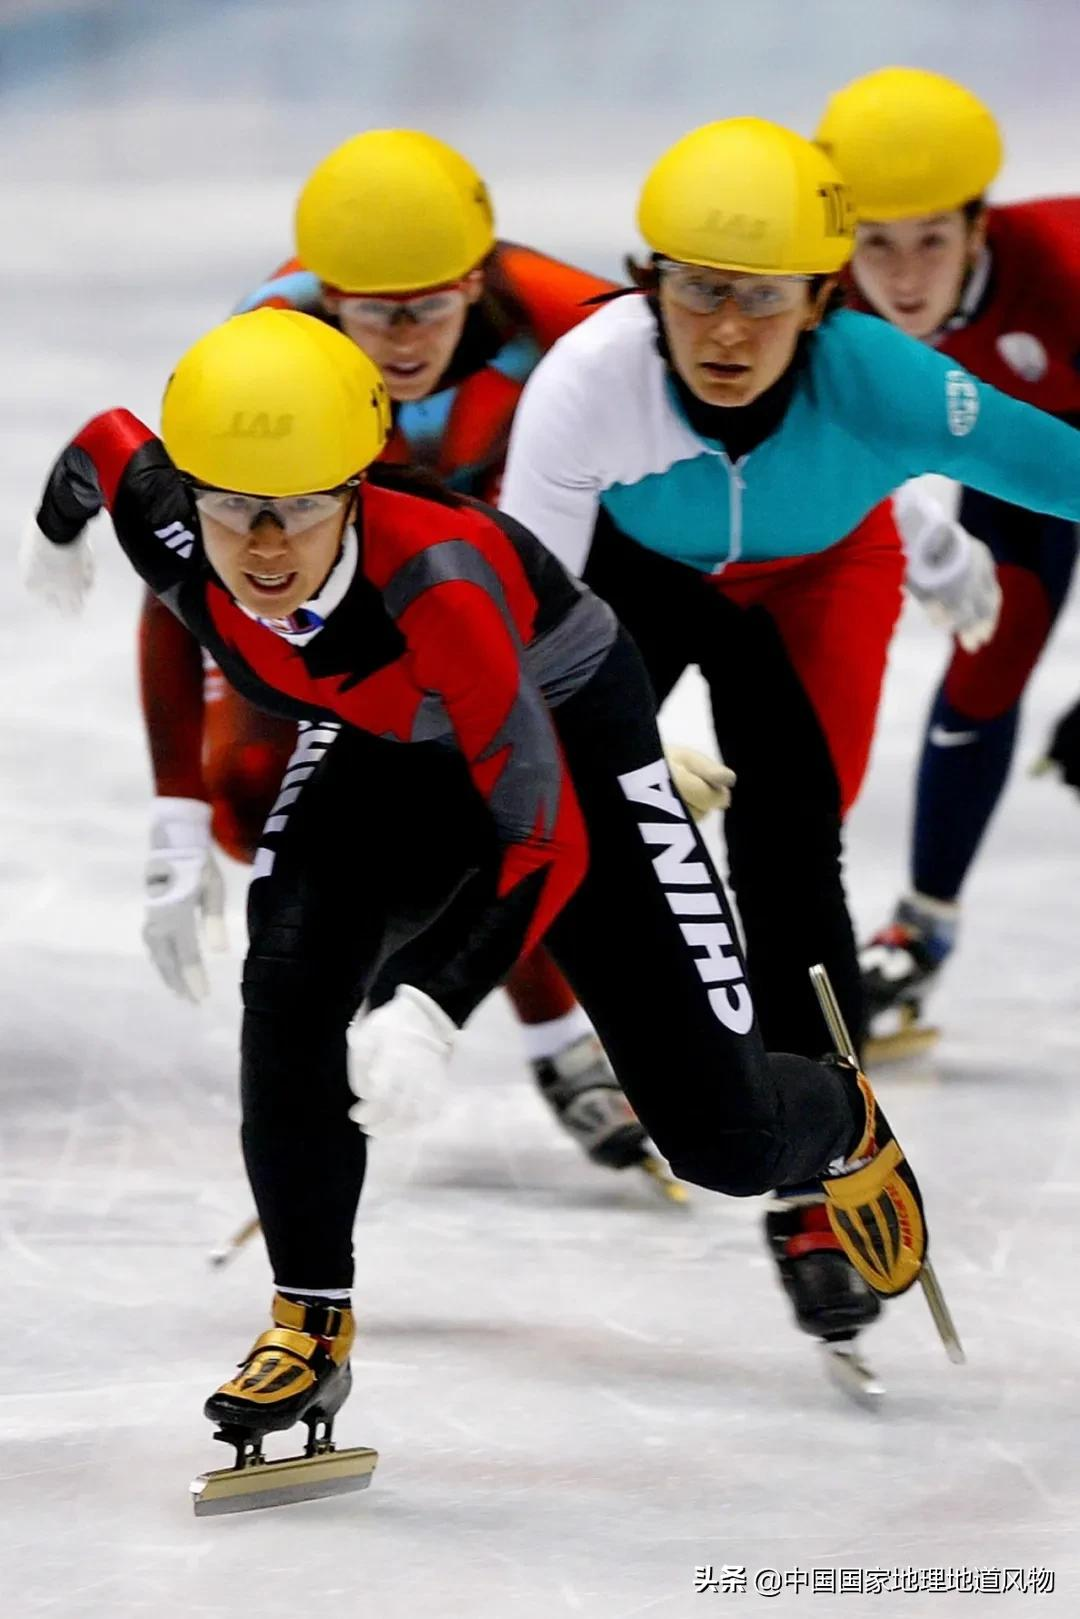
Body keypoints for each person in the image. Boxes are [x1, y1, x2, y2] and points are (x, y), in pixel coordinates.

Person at [22, 308, 925, 1503]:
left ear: (353, 485)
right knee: (287, 979)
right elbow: (99, 441)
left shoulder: (438, 580)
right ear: (193, 493)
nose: (267, 545)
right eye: (238, 507)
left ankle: (840, 1114)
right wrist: (60, 530)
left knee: (730, 1142)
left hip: (569, 757)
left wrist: (436, 1003)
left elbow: (538, 834)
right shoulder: (179, 520)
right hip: (382, 737)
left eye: (298, 505)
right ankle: (309, 1319)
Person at [486, 115, 1080, 1378]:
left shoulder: (885, 379)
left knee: (793, 845)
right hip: (639, 575)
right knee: (619, 840)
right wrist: (609, 737)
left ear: (822, 298)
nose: (729, 331)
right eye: (699, 290)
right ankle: (739, 1102)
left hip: (820, 576)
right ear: (651, 285)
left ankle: (820, 1169)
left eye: (764, 297)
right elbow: (513, 616)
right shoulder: (590, 381)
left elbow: (1064, 467)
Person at [138, 128, 716, 1188]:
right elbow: (182, 568)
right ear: (320, 299)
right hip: (331, 593)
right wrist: (175, 803)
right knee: (246, 792)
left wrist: (616, 723)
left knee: (511, 796)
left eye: (429, 306)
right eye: (370, 311)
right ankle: (461, 1000)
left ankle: (549, 1040)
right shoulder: (265, 351)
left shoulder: (578, 328)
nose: (401, 339)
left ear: (477, 281)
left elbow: (661, 516)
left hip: (502, 590)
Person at [815, 67, 1080, 1043]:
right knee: (986, 668)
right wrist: (924, 532)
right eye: (875, 244)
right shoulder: (822, 289)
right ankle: (921, 932)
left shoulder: (1065, 272)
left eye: (932, 240)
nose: (905, 276)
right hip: (1015, 460)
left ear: (980, 229)